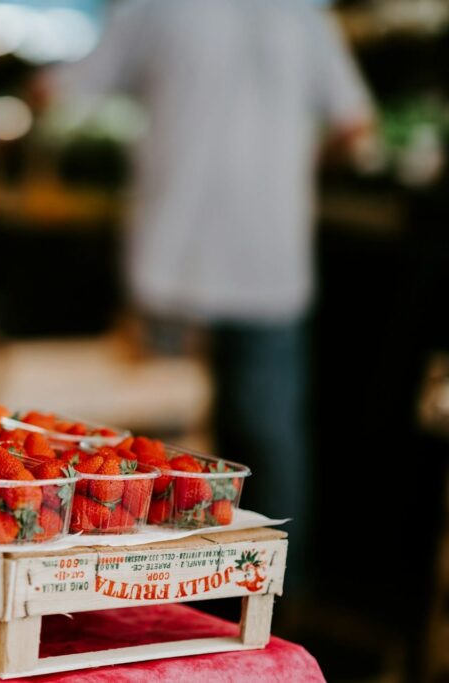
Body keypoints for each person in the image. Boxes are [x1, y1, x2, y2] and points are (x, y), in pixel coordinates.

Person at [44, 0, 375, 596]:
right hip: (270, 261)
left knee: (148, 457)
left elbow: (62, 89)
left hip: (173, 263)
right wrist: (289, 168)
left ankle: (141, 601)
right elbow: (357, 128)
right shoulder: (304, 15)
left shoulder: (154, 6)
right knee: (268, 443)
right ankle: (273, 603)